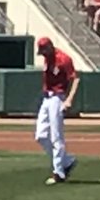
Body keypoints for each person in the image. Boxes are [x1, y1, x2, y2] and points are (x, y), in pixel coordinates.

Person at [35, 37, 78, 185]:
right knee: (40, 135)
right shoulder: (47, 59)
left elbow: (75, 78)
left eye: (44, 50)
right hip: (46, 98)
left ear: (50, 47)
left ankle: (58, 172)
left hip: (57, 98)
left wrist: (69, 99)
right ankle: (66, 161)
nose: (43, 54)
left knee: (56, 136)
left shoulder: (63, 59)